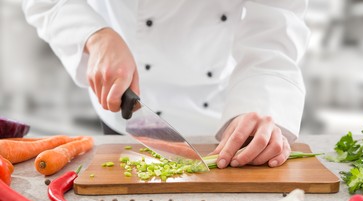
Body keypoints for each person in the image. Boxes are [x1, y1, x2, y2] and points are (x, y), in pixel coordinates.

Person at [22, 0, 310, 169]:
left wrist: (260, 104)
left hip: (228, 116)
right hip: (129, 106)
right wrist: (94, 35)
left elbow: (278, 21)